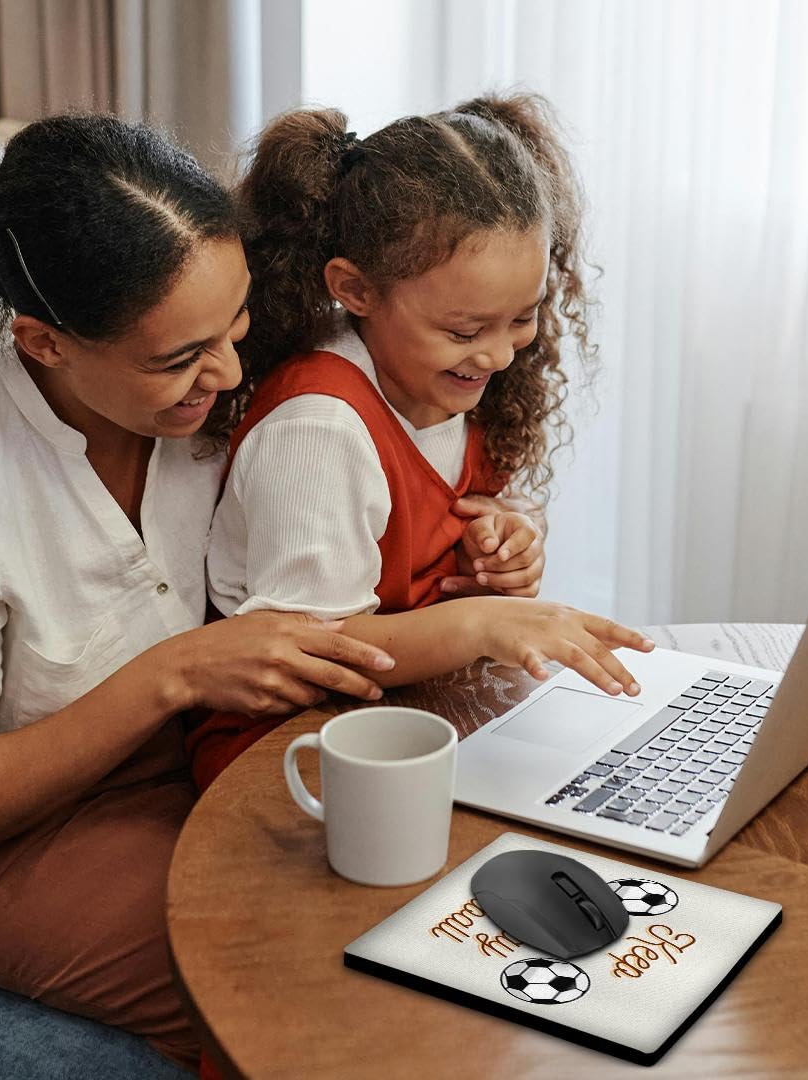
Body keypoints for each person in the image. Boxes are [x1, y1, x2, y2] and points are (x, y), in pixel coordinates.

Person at [0, 114, 396, 1070]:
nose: (225, 374)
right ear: (44, 344)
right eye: (179, 358)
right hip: (12, 840)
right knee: (305, 995)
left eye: (238, 327)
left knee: (421, 923)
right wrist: (175, 674)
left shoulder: (211, 385)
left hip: (209, 762)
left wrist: (500, 522)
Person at [188, 93, 655, 793]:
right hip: (286, 750)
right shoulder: (317, 430)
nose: (499, 357)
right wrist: (483, 625)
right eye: (467, 331)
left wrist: (508, 539)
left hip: (415, 717)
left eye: (522, 319)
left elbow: (447, 516)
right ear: (355, 289)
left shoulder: (442, 382)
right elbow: (317, 649)